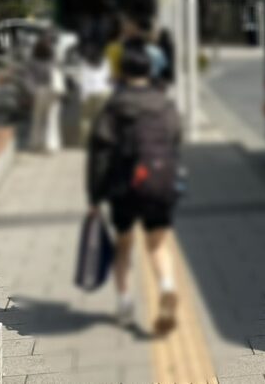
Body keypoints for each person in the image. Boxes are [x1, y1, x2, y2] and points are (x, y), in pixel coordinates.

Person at [87, 40, 182, 332]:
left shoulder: (115, 106)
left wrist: (95, 195)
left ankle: (125, 303)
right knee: (157, 245)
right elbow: (175, 141)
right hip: (159, 183)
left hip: (124, 186)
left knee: (124, 246)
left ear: (123, 72)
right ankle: (166, 285)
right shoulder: (165, 104)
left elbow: (100, 153)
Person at [29, 35, 64, 152]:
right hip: (52, 90)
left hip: (38, 91)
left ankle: (36, 143)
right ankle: (51, 144)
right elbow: (59, 75)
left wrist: (32, 91)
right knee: (51, 118)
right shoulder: (53, 61)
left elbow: (29, 78)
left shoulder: (33, 62)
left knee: (37, 119)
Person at [77, 41, 112, 146]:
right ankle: (100, 142)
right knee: (101, 119)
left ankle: (84, 143)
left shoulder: (84, 63)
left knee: (85, 120)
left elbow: (82, 80)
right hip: (103, 92)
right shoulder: (105, 62)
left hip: (88, 93)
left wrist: (82, 96)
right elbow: (108, 77)